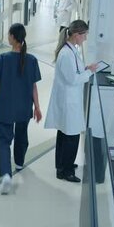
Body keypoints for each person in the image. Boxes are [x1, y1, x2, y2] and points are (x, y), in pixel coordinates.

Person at [0, 23, 42, 195]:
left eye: (9, 34)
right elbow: (33, 87)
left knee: (4, 142)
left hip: (4, 108)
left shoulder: (2, 59)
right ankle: (19, 162)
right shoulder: (31, 60)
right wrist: (37, 107)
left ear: (12, 37)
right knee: (21, 135)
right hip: (23, 108)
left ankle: (6, 177)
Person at [44, 20, 98, 183]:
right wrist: (89, 72)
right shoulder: (66, 54)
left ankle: (63, 165)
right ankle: (65, 171)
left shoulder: (71, 50)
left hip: (69, 100)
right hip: (69, 101)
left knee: (65, 134)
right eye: (85, 35)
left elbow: (74, 72)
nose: (86, 38)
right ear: (76, 35)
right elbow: (72, 79)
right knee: (71, 136)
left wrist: (85, 69)